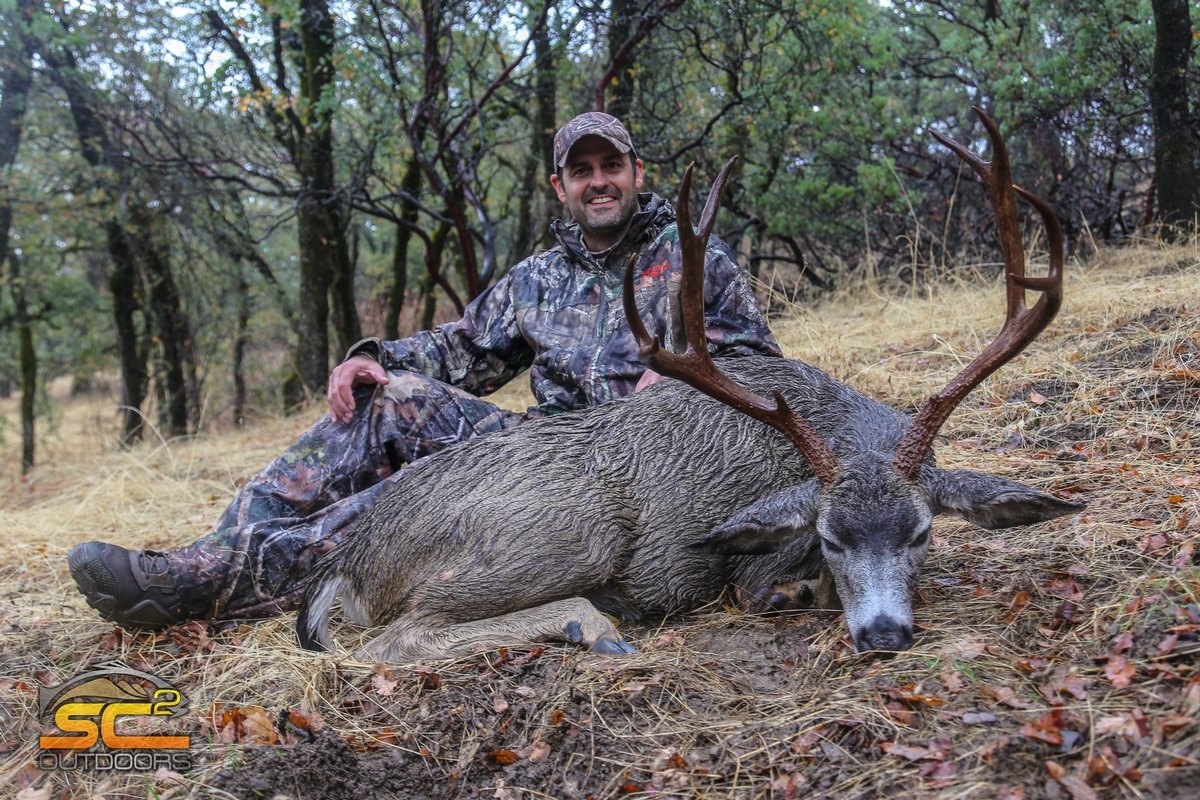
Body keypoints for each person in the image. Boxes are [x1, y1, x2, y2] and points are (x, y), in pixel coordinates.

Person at [68, 112, 781, 630]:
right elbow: (461, 350)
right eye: (582, 171)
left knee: (419, 495)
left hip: (625, 478)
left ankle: (219, 585)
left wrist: (685, 382)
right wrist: (370, 359)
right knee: (390, 400)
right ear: (559, 185)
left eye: (611, 167)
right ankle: (210, 552)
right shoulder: (537, 279)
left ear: (636, 173)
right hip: (541, 447)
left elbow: (761, 371)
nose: (599, 182)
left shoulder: (696, 262)